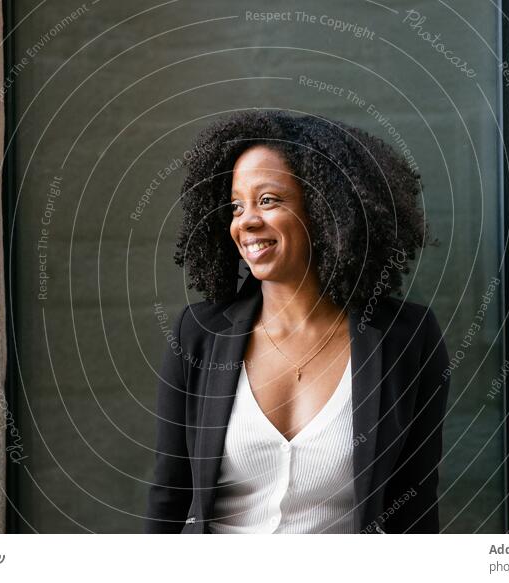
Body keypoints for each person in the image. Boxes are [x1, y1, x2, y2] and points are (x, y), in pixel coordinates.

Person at [144, 110, 449, 534]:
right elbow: (168, 495)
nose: (246, 220)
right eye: (237, 205)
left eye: (267, 200)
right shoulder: (198, 335)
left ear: (326, 209)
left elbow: (414, 501)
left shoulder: (407, 337)